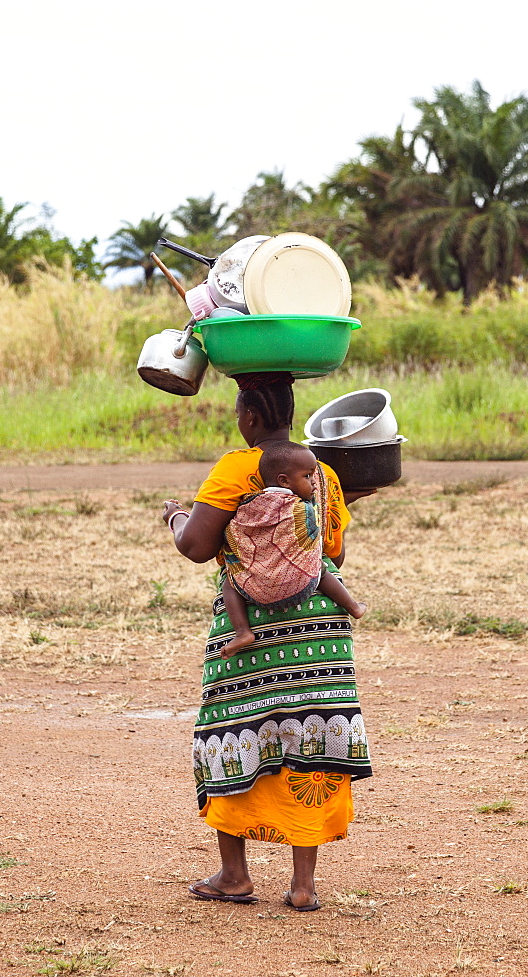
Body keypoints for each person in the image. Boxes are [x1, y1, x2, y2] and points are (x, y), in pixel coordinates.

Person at [162, 372, 372, 912]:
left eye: (239, 414)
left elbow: (196, 546)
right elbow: (335, 555)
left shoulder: (238, 467)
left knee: (230, 733)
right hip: (317, 631)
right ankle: (303, 886)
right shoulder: (320, 472)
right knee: (314, 740)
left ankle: (235, 875)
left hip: (248, 632)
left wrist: (175, 516)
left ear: (250, 418)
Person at [220, 440, 366, 658]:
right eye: (307, 477)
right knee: (320, 568)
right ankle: (353, 607)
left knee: (229, 583)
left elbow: (238, 530)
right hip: (299, 583)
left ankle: (243, 632)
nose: (314, 484)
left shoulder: (251, 503)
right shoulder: (301, 507)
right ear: (284, 481)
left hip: (255, 585)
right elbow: (314, 528)